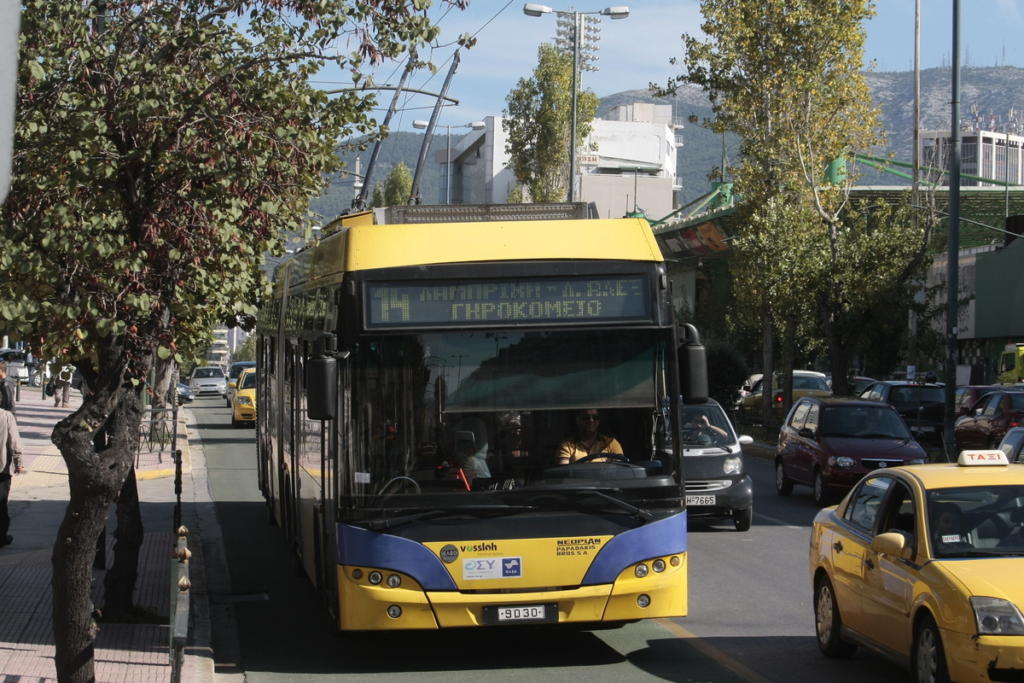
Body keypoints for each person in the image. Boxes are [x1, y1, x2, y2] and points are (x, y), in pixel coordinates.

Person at [557, 409, 623, 465]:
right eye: (586, 418)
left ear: (599, 421)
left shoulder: (611, 443)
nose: (591, 420)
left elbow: (619, 470)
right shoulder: (567, 445)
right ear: (578, 420)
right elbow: (564, 471)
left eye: (595, 418)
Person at [0, 406, 24, 548]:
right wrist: (18, 463)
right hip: (1, 468)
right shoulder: (6, 416)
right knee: (1, 504)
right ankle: (1, 537)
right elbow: (14, 442)